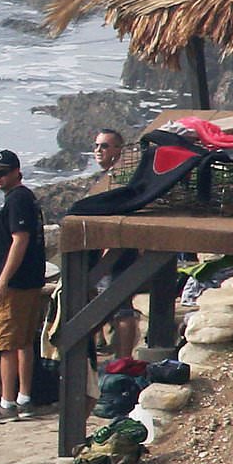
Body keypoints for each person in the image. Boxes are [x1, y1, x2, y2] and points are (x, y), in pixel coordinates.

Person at [0, 150, 48, 424]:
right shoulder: (27, 198)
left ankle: (6, 404)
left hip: (15, 285)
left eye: (2, 172)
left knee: (6, 343)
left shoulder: (17, 199)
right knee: (24, 342)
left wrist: (2, 280)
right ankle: (24, 399)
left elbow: (20, 240)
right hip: (31, 280)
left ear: (16, 172)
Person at [92, 128, 139, 360]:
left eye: (104, 146)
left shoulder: (122, 178)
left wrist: (107, 251)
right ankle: (111, 352)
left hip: (118, 252)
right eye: (96, 146)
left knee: (122, 308)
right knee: (105, 303)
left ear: (119, 150)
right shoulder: (106, 178)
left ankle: (124, 360)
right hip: (104, 250)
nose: (98, 150)